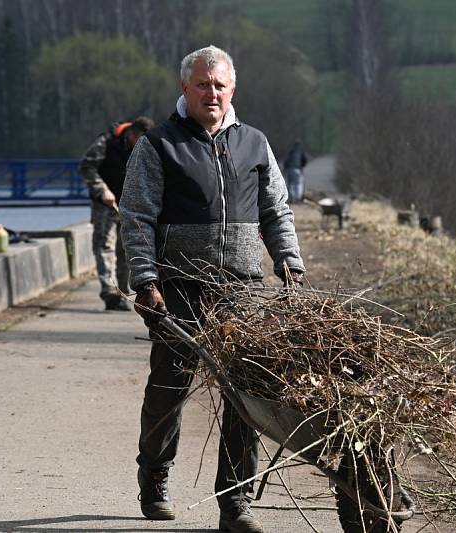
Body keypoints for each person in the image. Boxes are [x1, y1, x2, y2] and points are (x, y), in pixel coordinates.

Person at [119, 45, 305, 533]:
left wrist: (289, 260)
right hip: (178, 286)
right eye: (203, 84)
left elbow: (276, 209)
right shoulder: (158, 145)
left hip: (242, 287)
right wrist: (145, 279)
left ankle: (235, 502)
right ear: (185, 88)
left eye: (220, 85)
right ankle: (154, 475)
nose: (212, 93)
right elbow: (135, 217)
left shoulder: (254, 143)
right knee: (169, 388)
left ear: (232, 90)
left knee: (244, 394)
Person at [80, 116, 154, 311]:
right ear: (131, 133)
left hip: (130, 207)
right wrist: (101, 189)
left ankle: (122, 292)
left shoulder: (148, 145)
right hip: (105, 205)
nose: (140, 145)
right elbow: (86, 166)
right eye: (138, 140)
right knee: (105, 246)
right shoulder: (105, 142)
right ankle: (109, 292)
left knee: (127, 250)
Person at [283, 139, 308, 203]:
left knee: (289, 184)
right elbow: (305, 160)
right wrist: (302, 166)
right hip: (296, 170)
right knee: (297, 184)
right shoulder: (301, 151)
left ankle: (290, 198)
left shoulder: (291, 151)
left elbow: (286, 161)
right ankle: (297, 199)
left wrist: (285, 169)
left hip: (288, 169)